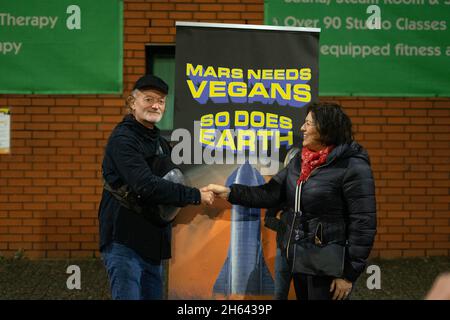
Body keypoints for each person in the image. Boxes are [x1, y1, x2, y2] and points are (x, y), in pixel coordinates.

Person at [203, 102, 377, 300]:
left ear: (326, 128)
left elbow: (364, 223)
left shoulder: (353, 166)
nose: (302, 128)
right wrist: (229, 192)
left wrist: (348, 275)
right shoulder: (300, 162)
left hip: (329, 268)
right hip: (300, 260)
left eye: (308, 124)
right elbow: (269, 194)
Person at [98, 74, 214, 300]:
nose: (155, 105)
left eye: (160, 101)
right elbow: (146, 185)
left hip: (152, 244)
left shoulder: (159, 142)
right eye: (148, 99)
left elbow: (170, 181)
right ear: (132, 103)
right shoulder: (123, 140)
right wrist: (194, 195)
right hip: (125, 242)